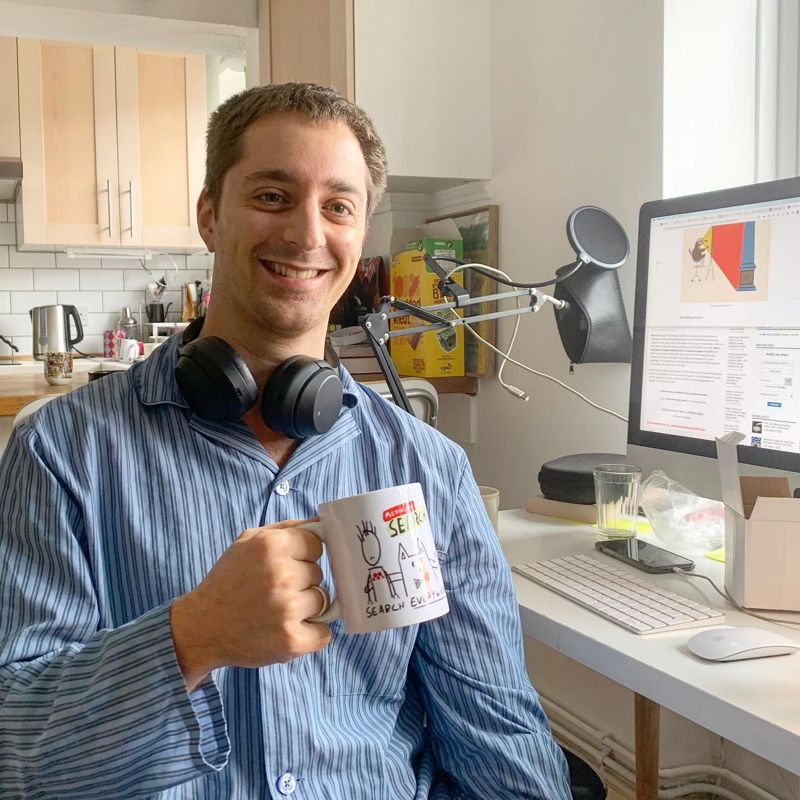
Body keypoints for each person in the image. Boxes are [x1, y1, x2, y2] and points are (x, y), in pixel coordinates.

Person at [0, 83, 571, 799]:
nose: (307, 235)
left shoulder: (426, 468)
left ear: (360, 233)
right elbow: (18, 759)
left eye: (338, 206)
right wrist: (190, 638)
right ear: (210, 216)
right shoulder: (61, 454)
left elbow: (498, 736)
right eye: (272, 196)